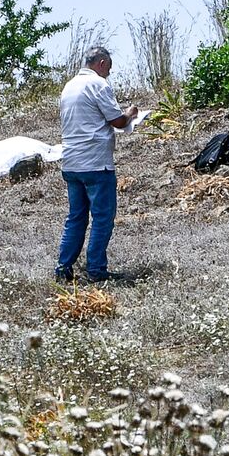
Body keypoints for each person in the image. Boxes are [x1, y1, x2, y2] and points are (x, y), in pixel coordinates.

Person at [55, 46, 140, 284]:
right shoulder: (98, 85)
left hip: (71, 161)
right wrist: (131, 113)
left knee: (76, 217)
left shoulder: (69, 86)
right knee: (102, 217)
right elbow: (118, 121)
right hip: (96, 163)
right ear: (102, 63)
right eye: (108, 69)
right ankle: (96, 269)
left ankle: (64, 267)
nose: (108, 75)